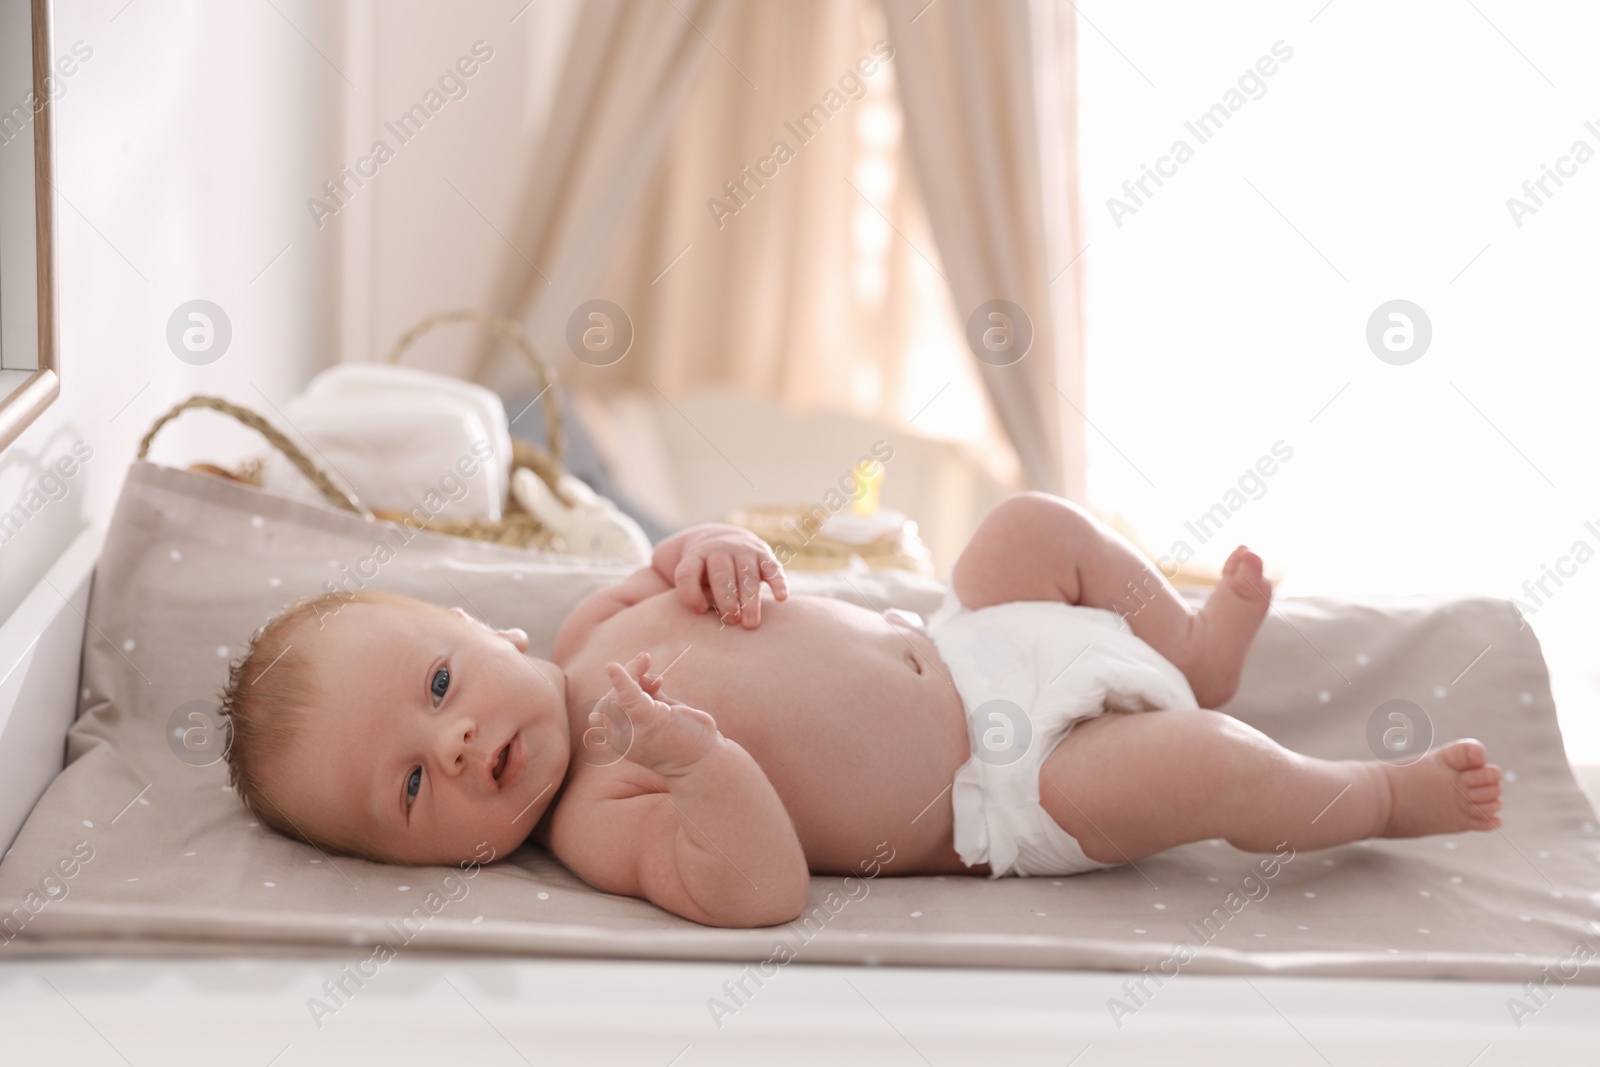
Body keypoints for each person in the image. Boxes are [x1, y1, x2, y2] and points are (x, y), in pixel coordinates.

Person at [220, 493, 1502, 928]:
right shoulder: (597, 815)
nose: (450, 742)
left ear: (486, 634)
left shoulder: (586, 628)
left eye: (438, 685)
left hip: (970, 643)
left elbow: (686, 557)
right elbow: (760, 889)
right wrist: (698, 760)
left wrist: (713, 549)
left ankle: (1185, 642)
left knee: (1021, 527)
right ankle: (1376, 795)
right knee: (1210, 768)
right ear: (421, 857)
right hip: (1011, 784)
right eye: (408, 788)